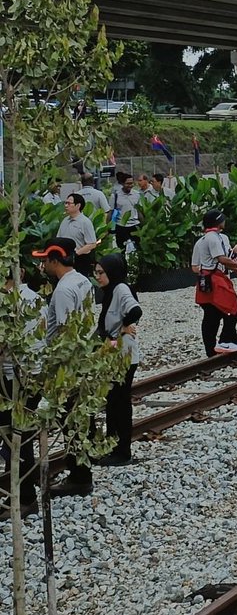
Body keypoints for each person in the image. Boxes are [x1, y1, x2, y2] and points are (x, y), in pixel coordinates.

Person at [32, 239, 95, 496]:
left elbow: (69, 331)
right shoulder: (83, 280)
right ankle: (81, 471)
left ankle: (79, 476)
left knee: (69, 419)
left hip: (68, 363)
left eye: (45, 260)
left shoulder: (63, 291)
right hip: (84, 357)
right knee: (81, 418)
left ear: (55, 260)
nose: (42, 264)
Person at [93, 253, 141, 466]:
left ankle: (122, 451)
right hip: (114, 352)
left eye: (101, 272)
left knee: (119, 403)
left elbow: (135, 310)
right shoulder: (110, 293)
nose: (98, 277)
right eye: (96, 273)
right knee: (113, 402)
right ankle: (113, 447)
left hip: (123, 356)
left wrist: (122, 329)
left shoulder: (120, 289)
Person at [1, 271, 41, 518]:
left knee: (14, 437)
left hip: (12, 379)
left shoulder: (7, 303)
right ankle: (22, 493)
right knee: (21, 435)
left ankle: (24, 497)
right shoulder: (36, 298)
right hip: (34, 375)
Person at [190, 209, 237, 357]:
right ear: (218, 222)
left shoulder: (214, 238)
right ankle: (225, 340)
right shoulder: (212, 238)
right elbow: (221, 258)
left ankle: (216, 346)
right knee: (231, 308)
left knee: (213, 314)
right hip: (214, 279)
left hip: (210, 278)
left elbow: (225, 258)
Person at [57, 193, 100, 277]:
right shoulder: (65, 220)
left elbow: (92, 244)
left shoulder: (85, 222)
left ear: (78, 205)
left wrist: (75, 254)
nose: (66, 206)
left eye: (69, 203)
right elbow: (58, 238)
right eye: (65, 203)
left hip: (80, 259)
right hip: (64, 258)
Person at [110, 174, 141, 255]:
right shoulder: (115, 196)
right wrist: (108, 228)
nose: (130, 185)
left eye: (131, 183)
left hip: (134, 225)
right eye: (128, 183)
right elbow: (111, 212)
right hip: (121, 226)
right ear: (122, 184)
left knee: (139, 249)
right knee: (121, 250)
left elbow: (139, 211)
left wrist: (144, 225)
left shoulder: (137, 195)